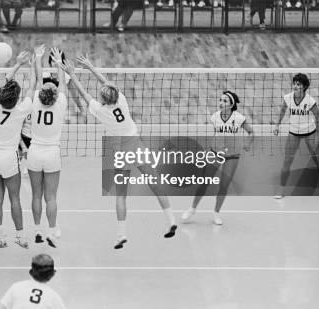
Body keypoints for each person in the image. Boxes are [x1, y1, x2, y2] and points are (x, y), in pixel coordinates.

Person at [62, 55, 177, 249]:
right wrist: (90, 66)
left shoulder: (100, 110)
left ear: (103, 99)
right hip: (136, 146)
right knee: (156, 184)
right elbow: (106, 83)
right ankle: (171, 220)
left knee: (121, 196)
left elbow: (83, 93)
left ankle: (122, 234)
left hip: (120, 153)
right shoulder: (121, 100)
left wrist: (72, 74)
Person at [0, 48, 39, 248]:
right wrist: (33, 65)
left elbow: (5, 82)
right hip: (8, 158)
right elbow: (33, 86)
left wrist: (17, 63)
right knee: (14, 198)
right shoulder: (22, 109)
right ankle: (20, 236)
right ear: (16, 99)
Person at [182, 91, 254, 225]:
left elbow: (251, 132)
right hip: (215, 153)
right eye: (220, 100)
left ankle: (216, 213)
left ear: (231, 104)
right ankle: (192, 209)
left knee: (224, 186)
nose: (221, 103)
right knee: (204, 181)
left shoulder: (239, 118)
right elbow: (215, 135)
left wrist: (247, 144)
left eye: (225, 101)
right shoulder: (215, 116)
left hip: (232, 156)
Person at [28, 47, 67, 248]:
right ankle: (52, 231)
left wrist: (37, 59)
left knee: (36, 195)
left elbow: (36, 78)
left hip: (34, 153)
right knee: (50, 197)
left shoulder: (34, 99)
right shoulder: (61, 101)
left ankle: (36, 230)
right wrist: (58, 63)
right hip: (52, 154)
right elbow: (61, 85)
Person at [273, 73, 319, 199]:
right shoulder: (288, 98)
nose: (295, 86)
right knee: (287, 161)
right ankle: (281, 189)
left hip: (309, 133)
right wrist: (277, 125)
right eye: (294, 83)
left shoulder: (310, 101)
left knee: (318, 160)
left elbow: (318, 117)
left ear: (304, 87)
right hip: (293, 133)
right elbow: (282, 111)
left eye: (298, 84)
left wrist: (317, 135)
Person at [0, 254, 65, 309]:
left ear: (32, 272)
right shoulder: (54, 297)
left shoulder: (17, 287)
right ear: (51, 274)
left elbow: (2, 307)